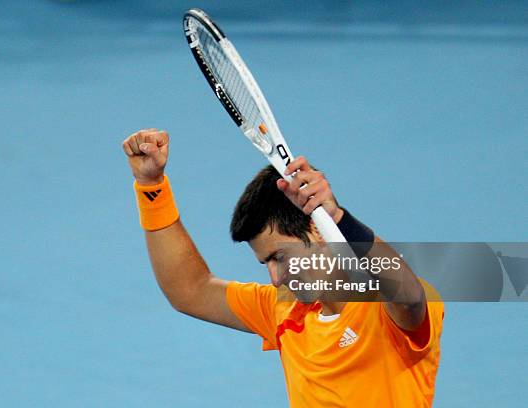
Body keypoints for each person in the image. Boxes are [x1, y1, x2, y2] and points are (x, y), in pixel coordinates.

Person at [122, 128, 444, 407]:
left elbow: (407, 296)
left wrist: (339, 218)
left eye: (280, 257)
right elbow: (189, 290)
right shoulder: (284, 310)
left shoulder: (383, 311)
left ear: (317, 230)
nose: (276, 279)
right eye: (266, 263)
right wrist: (152, 186)